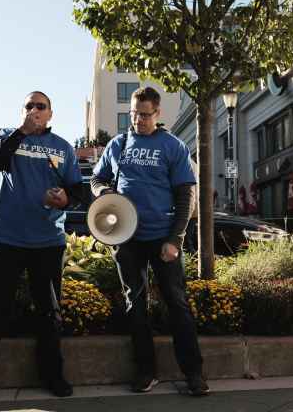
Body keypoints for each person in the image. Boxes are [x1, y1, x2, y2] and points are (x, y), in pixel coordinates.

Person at [0, 91, 83, 402]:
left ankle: (53, 376)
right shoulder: (7, 137)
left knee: (48, 312)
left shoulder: (63, 147)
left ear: (51, 114)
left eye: (40, 106)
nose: (34, 110)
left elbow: (76, 189)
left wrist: (66, 198)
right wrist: (22, 131)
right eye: (29, 106)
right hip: (7, 239)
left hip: (47, 241)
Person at [90, 86, 208, 396]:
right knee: (135, 303)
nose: (138, 120)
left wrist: (175, 239)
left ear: (158, 114)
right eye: (134, 114)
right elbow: (97, 179)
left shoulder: (172, 146)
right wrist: (102, 192)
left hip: (162, 239)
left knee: (177, 303)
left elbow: (186, 194)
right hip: (126, 239)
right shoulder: (118, 144)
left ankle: (193, 372)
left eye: (144, 115)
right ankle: (146, 371)